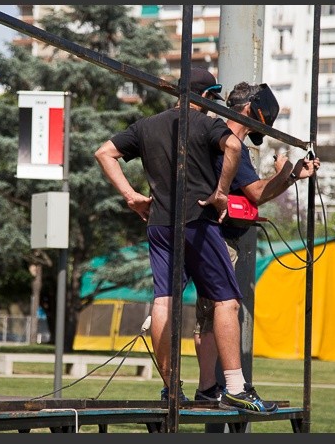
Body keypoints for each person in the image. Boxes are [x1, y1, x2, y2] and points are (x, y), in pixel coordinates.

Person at [95, 68, 277, 413]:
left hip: (159, 224)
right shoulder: (208, 124)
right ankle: (236, 387)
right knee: (227, 302)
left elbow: (103, 152)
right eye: (213, 100)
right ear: (205, 96)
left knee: (164, 301)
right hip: (199, 220)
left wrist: (132, 196)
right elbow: (234, 145)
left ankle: (170, 388)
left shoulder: (145, 126)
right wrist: (222, 193)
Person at [192, 82, 321, 404]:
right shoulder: (230, 141)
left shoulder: (213, 134)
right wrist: (286, 175)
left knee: (207, 313)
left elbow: (253, 193)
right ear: (251, 109)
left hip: (200, 231)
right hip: (217, 237)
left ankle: (207, 388)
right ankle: (229, 388)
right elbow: (256, 193)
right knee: (222, 307)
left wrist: (289, 177)